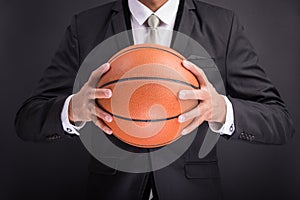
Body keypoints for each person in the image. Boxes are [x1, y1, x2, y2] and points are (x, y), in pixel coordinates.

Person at [15, 0, 295, 199]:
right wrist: (74, 109)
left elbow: (280, 122)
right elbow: (28, 120)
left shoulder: (222, 25)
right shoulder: (85, 26)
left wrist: (222, 110)